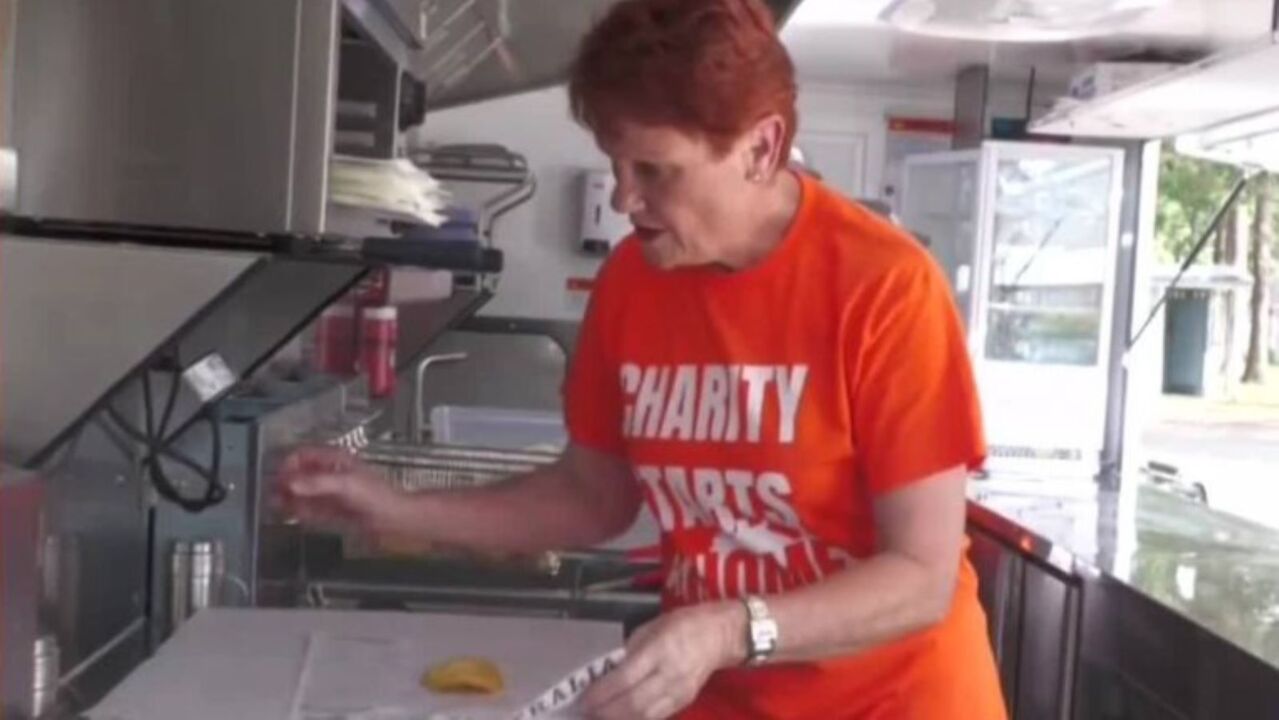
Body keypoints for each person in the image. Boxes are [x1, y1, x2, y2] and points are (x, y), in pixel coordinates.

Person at [278, 0, 1006, 717]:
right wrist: (394, 507)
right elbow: (591, 496)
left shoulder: (884, 289)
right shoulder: (632, 281)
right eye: (615, 164)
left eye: (655, 171)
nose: (624, 197)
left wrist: (729, 629)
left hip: (895, 701)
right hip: (724, 697)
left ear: (760, 147)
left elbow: (919, 577)